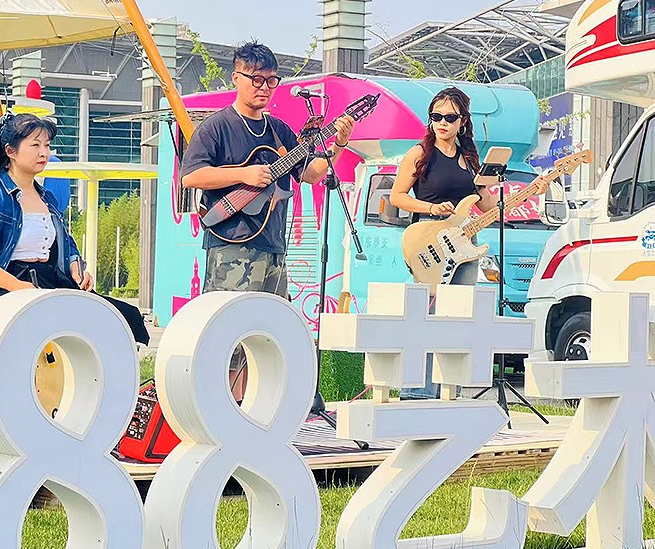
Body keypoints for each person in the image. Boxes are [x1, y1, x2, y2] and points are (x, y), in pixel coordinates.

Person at [180, 40, 354, 399]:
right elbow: (191, 176)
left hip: (273, 245)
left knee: (267, 336)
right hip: (231, 245)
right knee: (228, 336)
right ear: (236, 78)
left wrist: (338, 145)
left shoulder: (279, 130)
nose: (264, 88)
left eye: (271, 81)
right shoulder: (216, 127)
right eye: (256, 79)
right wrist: (243, 174)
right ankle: (223, 405)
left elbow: (310, 173)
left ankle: (257, 407)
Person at [389, 87, 548, 399]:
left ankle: (451, 389)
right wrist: (432, 208)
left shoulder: (470, 159)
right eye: (436, 117)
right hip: (430, 239)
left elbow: (488, 206)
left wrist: (531, 191)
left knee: (459, 316)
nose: (442, 123)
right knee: (430, 315)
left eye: (449, 118)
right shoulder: (420, 154)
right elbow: (397, 196)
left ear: (462, 121)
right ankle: (418, 391)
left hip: (465, 243)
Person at [0, 112, 149, 345]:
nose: (44, 153)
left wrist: (77, 271)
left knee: (119, 316)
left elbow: (66, 243)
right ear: (10, 151)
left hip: (47, 279)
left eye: (46, 145)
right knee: (32, 324)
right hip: (0, 286)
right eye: (35, 145)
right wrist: (17, 286)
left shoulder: (48, 198)